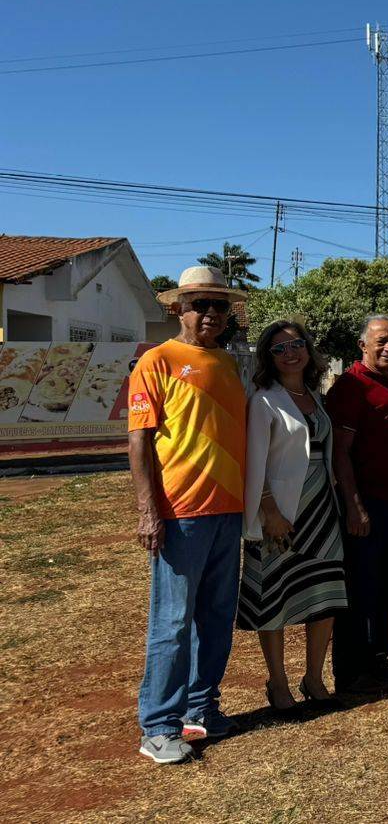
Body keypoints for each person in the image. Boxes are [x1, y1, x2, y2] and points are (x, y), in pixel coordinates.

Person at [130, 265, 249, 764]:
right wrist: (147, 509)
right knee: (173, 621)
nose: (210, 313)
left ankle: (201, 708)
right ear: (177, 307)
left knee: (217, 617)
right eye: (199, 303)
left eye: (219, 305)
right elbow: (138, 438)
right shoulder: (155, 361)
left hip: (229, 511)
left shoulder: (228, 362)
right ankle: (158, 724)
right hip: (181, 512)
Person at [238, 320, 348, 711]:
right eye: (279, 349)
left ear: (309, 349)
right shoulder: (264, 399)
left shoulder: (314, 396)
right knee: (276, 595)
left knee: (325, 593)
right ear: (268, 357)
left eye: (296, 344)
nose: (290, 353)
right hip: (281, 512)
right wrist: (269, 510)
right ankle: (278, 683)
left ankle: (314, 678)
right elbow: (254, 460)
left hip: (321, 509)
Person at [327, 314, 388, 693]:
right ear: (362, 345)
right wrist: (354, 505)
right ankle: (350, 671)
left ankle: (379, 658)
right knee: (359, 588)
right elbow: (340, 454)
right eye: (381, 341)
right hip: (368, 506)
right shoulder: (351, 387)